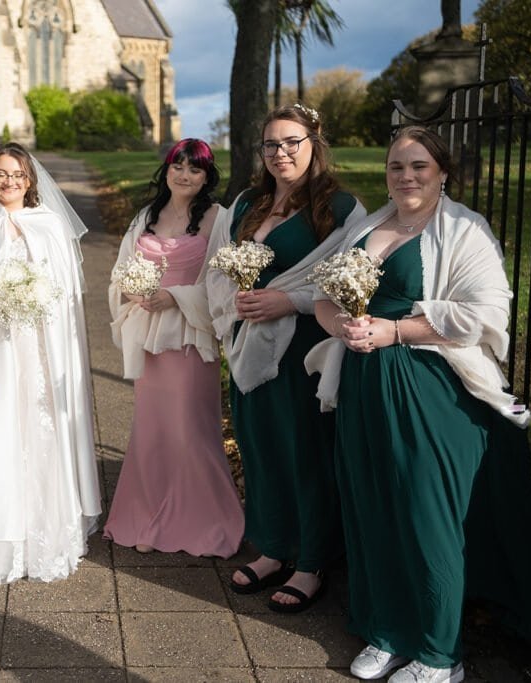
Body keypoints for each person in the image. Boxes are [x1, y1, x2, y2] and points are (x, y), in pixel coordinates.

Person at [310, 126, 531, 683]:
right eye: (396, 167)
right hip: (363, 384)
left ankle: (440, 654)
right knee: (371, 506)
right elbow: (321, 297)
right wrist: (342, 324)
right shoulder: (366, 227)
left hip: (429, 388)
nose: (406, 177)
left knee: (424, 515)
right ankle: (386, 631)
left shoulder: (464, 229)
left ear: (442, 173)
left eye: (419, 167)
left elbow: (485, 315)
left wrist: (393, 329)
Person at [205, 104, 365, 612]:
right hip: (248, 341)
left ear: (314, 144)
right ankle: (274, 548)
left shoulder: (341, 209)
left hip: (305, 348)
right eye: (271, 145)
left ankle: (312, 560)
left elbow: (351, 278)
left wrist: (287, 300)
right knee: (260, 446)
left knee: (306, 451)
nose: (281, 154)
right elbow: (217, 268)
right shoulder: (247, 203)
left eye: (292, 142)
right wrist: (237, 303)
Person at [0, 141, 100, 583]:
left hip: (38, 347)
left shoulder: (48, 226)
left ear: (29, 182)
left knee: (39, 430)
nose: (8, 182)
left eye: (17, 175)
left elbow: (64, 297)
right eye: (0, 174)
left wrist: (33, 303)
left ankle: (45, 537)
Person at [103, 138, 244, 557]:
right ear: (166, 170)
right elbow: (119, 273)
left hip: (190, 336)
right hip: (149, 337)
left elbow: (223, 283)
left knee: (189, 428)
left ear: (206, 177)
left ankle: (201, 519)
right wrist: (132, 290)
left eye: (195, 169)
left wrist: (177, 297)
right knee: (153, 428)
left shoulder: (218, 218)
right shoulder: (146, 216)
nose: (184, 175)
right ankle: (149, 515)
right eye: (178, 166)